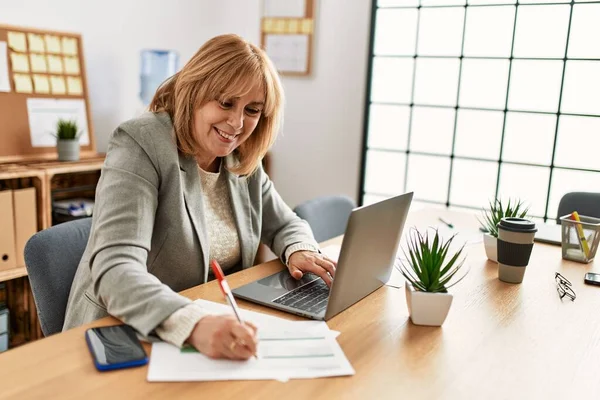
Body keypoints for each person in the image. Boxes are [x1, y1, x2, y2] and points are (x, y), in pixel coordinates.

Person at [63, 34, 337, 360]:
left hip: (212, 325)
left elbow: (284, 223)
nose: (237, 123)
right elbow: (116, 270)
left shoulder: (238, 156)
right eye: (225, 103)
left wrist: (299, 249)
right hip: (122, 332)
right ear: (195, 91)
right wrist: (193, 324)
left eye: (252, 110)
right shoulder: (141, 142)